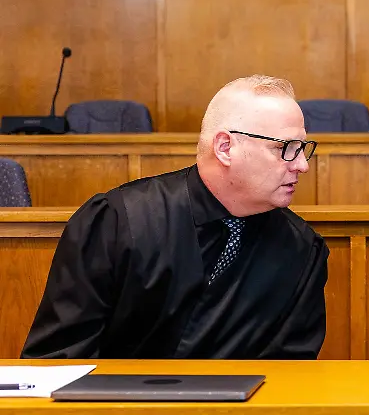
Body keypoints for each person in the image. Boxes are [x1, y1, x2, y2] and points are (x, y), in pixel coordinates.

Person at [21, 75, 330, 359]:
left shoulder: (301, 248)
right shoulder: (118, 223)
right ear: (225, 148)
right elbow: (58, 360)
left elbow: (290, 373)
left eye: (303, 148)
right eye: (285, 148)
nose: (302, 165)